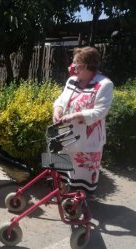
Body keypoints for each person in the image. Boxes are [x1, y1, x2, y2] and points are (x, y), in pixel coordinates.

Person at [52, 46, 113, 193]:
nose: (72, 66)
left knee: (81, 176)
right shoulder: (72, 80)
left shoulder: (104, 84)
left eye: (74, 62)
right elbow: (61, 99)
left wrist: (75, 116)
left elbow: (101, 111)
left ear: (84, 65)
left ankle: (78, 202)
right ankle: (62, 195)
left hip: (87, 140)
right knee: (62, 168)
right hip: (65, 135)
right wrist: (57, 110)